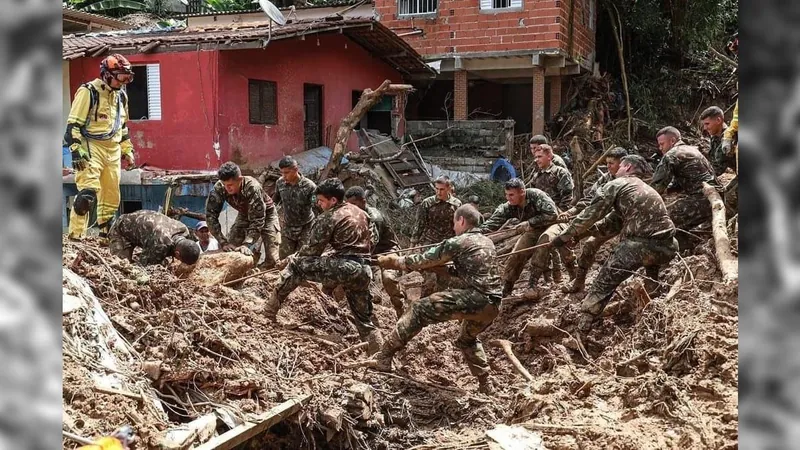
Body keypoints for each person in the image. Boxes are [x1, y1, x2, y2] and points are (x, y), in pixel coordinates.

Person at [373, 204, 502, 394]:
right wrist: (441, 269)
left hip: (476, 299)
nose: (453, 228)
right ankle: (486, 384)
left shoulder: (458, 241)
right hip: (493, 305)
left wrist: (395, 262)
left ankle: (384, 356)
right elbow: (466, 272)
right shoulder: (486, 242)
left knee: (418, 309)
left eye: (454, 223)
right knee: (467, 339)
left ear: (461, 221)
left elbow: (424, 258)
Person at [553, 155, 678, 331]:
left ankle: (583, 324)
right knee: (651, 269)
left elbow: (591, 213)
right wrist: (579, 236)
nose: (616, 170)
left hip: (642, 245)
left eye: (619, 166)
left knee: (606, 277)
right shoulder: (639, 189)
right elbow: (610, 224)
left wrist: (565, 236)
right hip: (668, 246)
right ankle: (651, 305)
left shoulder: (618, 184)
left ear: (627, 168)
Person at [265, 179, 383, 354]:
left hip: (346, 267)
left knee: (297, 265)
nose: (318, 204)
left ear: (333, 200)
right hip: (364, 271)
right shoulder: (362, 214)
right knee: (363, 319)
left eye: (321, 200)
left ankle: (269, 312)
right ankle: (379, 354)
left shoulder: (329, 217)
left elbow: (311, 250)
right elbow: (372, 241)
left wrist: (289, 259)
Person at [65, 54, 136, 240]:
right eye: (121, 76)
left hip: (112, 150)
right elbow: (72, 126)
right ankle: (76, 238)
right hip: (91, 147)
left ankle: (106, 238)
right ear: (107, 75)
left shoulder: (121, 96)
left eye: (127, 77)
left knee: (112, 199)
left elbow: (122, 127)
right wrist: (75, 150)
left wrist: (127, 150)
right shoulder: (88, 92)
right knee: (87, 194)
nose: (124, 81)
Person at [558, 146, 628, 293]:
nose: (608, 166)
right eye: (607, 162)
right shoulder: (607, 178)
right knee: (587, 244)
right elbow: (590, 199)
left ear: (623, 163)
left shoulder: (631, 178)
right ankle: (579, 281)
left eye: (612, 163)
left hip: (627, 220)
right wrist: (572, 211)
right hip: (607, 220)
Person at [477, 178, 558, 297]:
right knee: (517, 253)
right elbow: (493, 222)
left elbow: (553, 215)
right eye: (506, 195)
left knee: (542, 245)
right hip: (533, 230)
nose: (508, 198)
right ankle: (507, 287)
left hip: (551, 225)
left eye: (511, 195)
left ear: (522, 192)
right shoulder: (508, 206)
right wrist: (475, 233)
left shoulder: (536, 195)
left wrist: (530, 222)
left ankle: (533, 284)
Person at [651, 127, 720, 251]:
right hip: (715, 197)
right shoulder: (690, 149)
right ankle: (688, 245)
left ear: (672, 141)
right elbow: (683, 181)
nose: (660, 148)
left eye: (662, 144)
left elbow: (655, 188)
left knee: (664, 219)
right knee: (675, 209)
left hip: (704, 200)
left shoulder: (671, 155)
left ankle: (679, 251)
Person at [345, 186, 407, 318]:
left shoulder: (375, 218)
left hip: (387, 252)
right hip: (368, 254)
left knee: (389, 279)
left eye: (354, 204)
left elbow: (371, 243)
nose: (351, 208)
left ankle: (401, 309)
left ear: (363, 201)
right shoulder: (353, 215)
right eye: (349, 205)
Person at [205, 162, 280, 267]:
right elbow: (210, 216)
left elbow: (258, 219)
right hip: (244, 214)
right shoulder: (220, 187)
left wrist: (247, 243)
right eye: (225, 184)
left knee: (272, 259)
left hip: (267, 214)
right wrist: (223, 242)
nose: (227, 188)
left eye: (230, 185)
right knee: (231, 249)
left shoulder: (253, 187)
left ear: (239, 179)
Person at [529, 143, 575, 283]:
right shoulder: (536, 176)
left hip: (560, 216)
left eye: (540, 157)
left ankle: (573, 276)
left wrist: (560, 213)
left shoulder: (560, 172)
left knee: (562, 246)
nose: (537, 160)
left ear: (549, 156)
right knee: (543, 246)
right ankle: (550, 278)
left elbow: (567, 196)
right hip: (543, 217)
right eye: (536, 157)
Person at [411, 176, 462, 296]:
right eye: (436, 189)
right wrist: (413, 245)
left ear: (449, 189)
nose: (438, 192)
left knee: (444, 279)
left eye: (442, 189)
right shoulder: (427, 203)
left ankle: (438, 305)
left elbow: (459, 227)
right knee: (429, 278)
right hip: (430, 243)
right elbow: (419, 225)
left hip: (447, 244)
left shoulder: (456, 204)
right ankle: (423, 304)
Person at [108, 210, 201, 266]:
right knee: (122, 266)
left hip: (140, 222)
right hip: (121, 230)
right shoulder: (161, 243)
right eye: (180, 259)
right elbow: (143, 267)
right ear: (177, 253)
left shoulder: (184, 230)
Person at [273, 156, 318, 258]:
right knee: (283, 258)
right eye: (282, 173)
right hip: (288, 227)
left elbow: (317, 207)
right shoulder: (280, 183)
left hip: (306, 227)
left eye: (287, 173)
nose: (284, 176)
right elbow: (275, 200)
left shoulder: (310, 187)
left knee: (302, 258)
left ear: (296, 170)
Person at [700, 106, 735, 176]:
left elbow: (717, 169)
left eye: (707, 124)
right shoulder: (715, 136)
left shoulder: (729, 139)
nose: (705, 128)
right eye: (704, 124)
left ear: (718, 120)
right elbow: (712, 161)